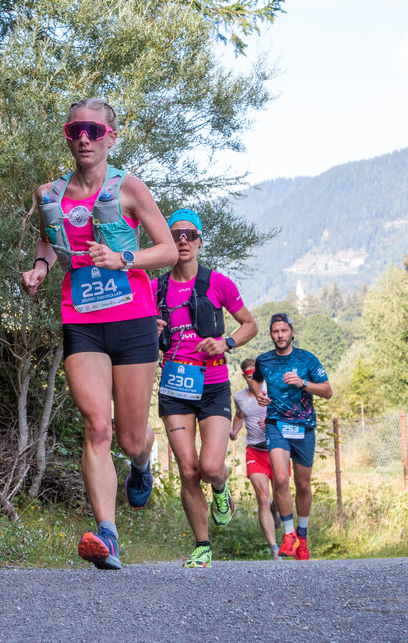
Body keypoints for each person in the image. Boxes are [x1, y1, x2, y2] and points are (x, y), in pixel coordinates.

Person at [21, 98, 178, 570]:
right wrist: (39, 269)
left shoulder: (128, 188)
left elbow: (168, 249)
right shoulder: (50, 192)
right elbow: (48, 244)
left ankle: (142, 462)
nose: (84, 138)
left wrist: (124, 259)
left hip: (132, 321)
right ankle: (106, 534)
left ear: (111, 136)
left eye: (93, 130)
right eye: (76, 130)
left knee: (131, 438)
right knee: (97, 426)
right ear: (68, 136)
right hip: (82, 319)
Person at [153, 209, 258, 568]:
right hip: (175, 387)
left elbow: (250, 325)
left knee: (211, 466)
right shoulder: (156, 288)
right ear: (167, 240)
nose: (182, 239)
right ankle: (202, 546)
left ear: (199, 241)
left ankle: (220, 487)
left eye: (189, 234)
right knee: (187, 470)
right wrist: (151, 330)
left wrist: (225, 342)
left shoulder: (218, 283)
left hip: (212, 385)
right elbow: (138, 329)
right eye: (175, 234)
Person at [248, 312, 332, 560]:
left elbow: (327, 391)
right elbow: (255, 381)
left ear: (292, 332)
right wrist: (259, 394)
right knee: (281, 480)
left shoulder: (307, 359)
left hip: (304, 427)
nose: (280, 335)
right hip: (276, 425)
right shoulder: (264, 360)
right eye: (275, 331)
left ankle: (302, 537)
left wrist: (302, 383)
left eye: (284, 330)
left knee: (303, 484)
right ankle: (288, 535)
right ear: (271, 334)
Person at [230, 358, 282, 561]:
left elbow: (288, 415)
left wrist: (270, 421)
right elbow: (240, 415)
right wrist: (234, 430)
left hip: (276, 449)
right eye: (250, 377)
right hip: (255, 451)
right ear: (244, 377)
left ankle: (276, 509)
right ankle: (274, 548)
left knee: (280, 493)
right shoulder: (239, 397)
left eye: (257, 377)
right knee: (261, 498)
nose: (254, 381)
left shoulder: (272, 391)